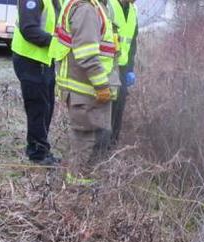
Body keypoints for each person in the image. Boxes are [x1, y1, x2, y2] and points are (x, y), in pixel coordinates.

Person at [49, 0, 120, 184]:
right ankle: (80, 186)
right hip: (86, 89)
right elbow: (86, 54)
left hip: (87, 88)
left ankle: (80, 181)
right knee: (86, 139)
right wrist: (102, 85)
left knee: (87, 138)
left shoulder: (93, 6)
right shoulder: (87, 9)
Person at [11, 0, 61, 166]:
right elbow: (29, 29)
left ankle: (42, 149)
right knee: (38, 107)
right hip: (29, 59)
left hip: (44, 60)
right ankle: (37, 153)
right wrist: (55, 42)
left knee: (47, 106)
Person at [109, 0, 138, 145]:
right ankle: (101, 151)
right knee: (108, 109)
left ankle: (112, 147)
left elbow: (132, 43)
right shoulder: (109, 5)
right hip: (108, 66)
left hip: (123, 67)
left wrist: (130, 69)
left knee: (119, 109)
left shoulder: (133, 10)